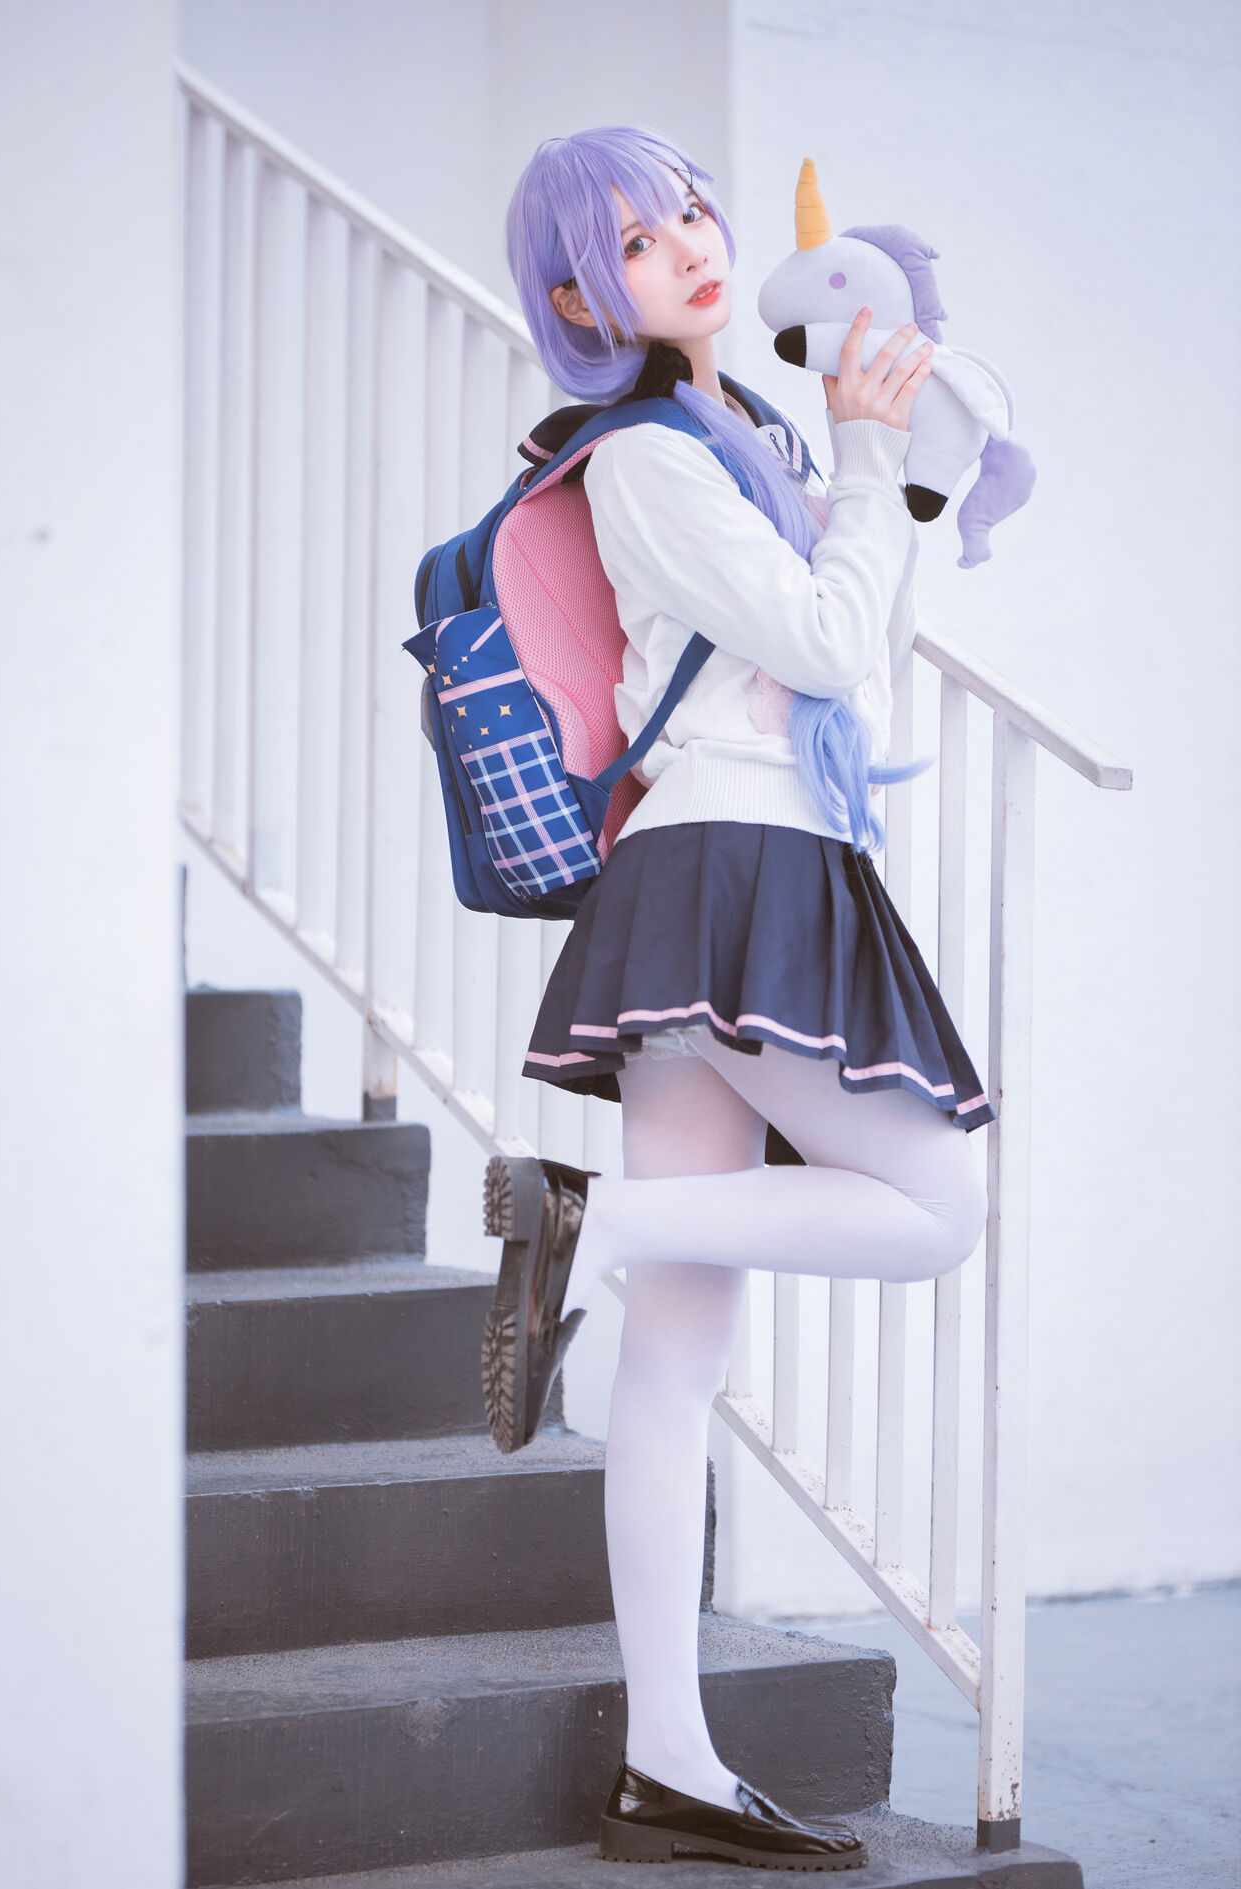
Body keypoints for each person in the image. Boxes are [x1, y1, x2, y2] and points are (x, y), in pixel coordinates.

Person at [481, 125, 992, 1873]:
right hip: (736, 857)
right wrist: (867, 460)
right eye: (637, 240)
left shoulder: (745, 437)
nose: (693, 245)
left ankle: (668, 1763)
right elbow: (830, 647)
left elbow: (857, 653)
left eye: (692, 209)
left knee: (679, 1350)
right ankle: (590, 1215)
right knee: (936, 1206)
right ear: (579, 300)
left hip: (728, 856)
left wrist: (887, 479)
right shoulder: (643, 459)